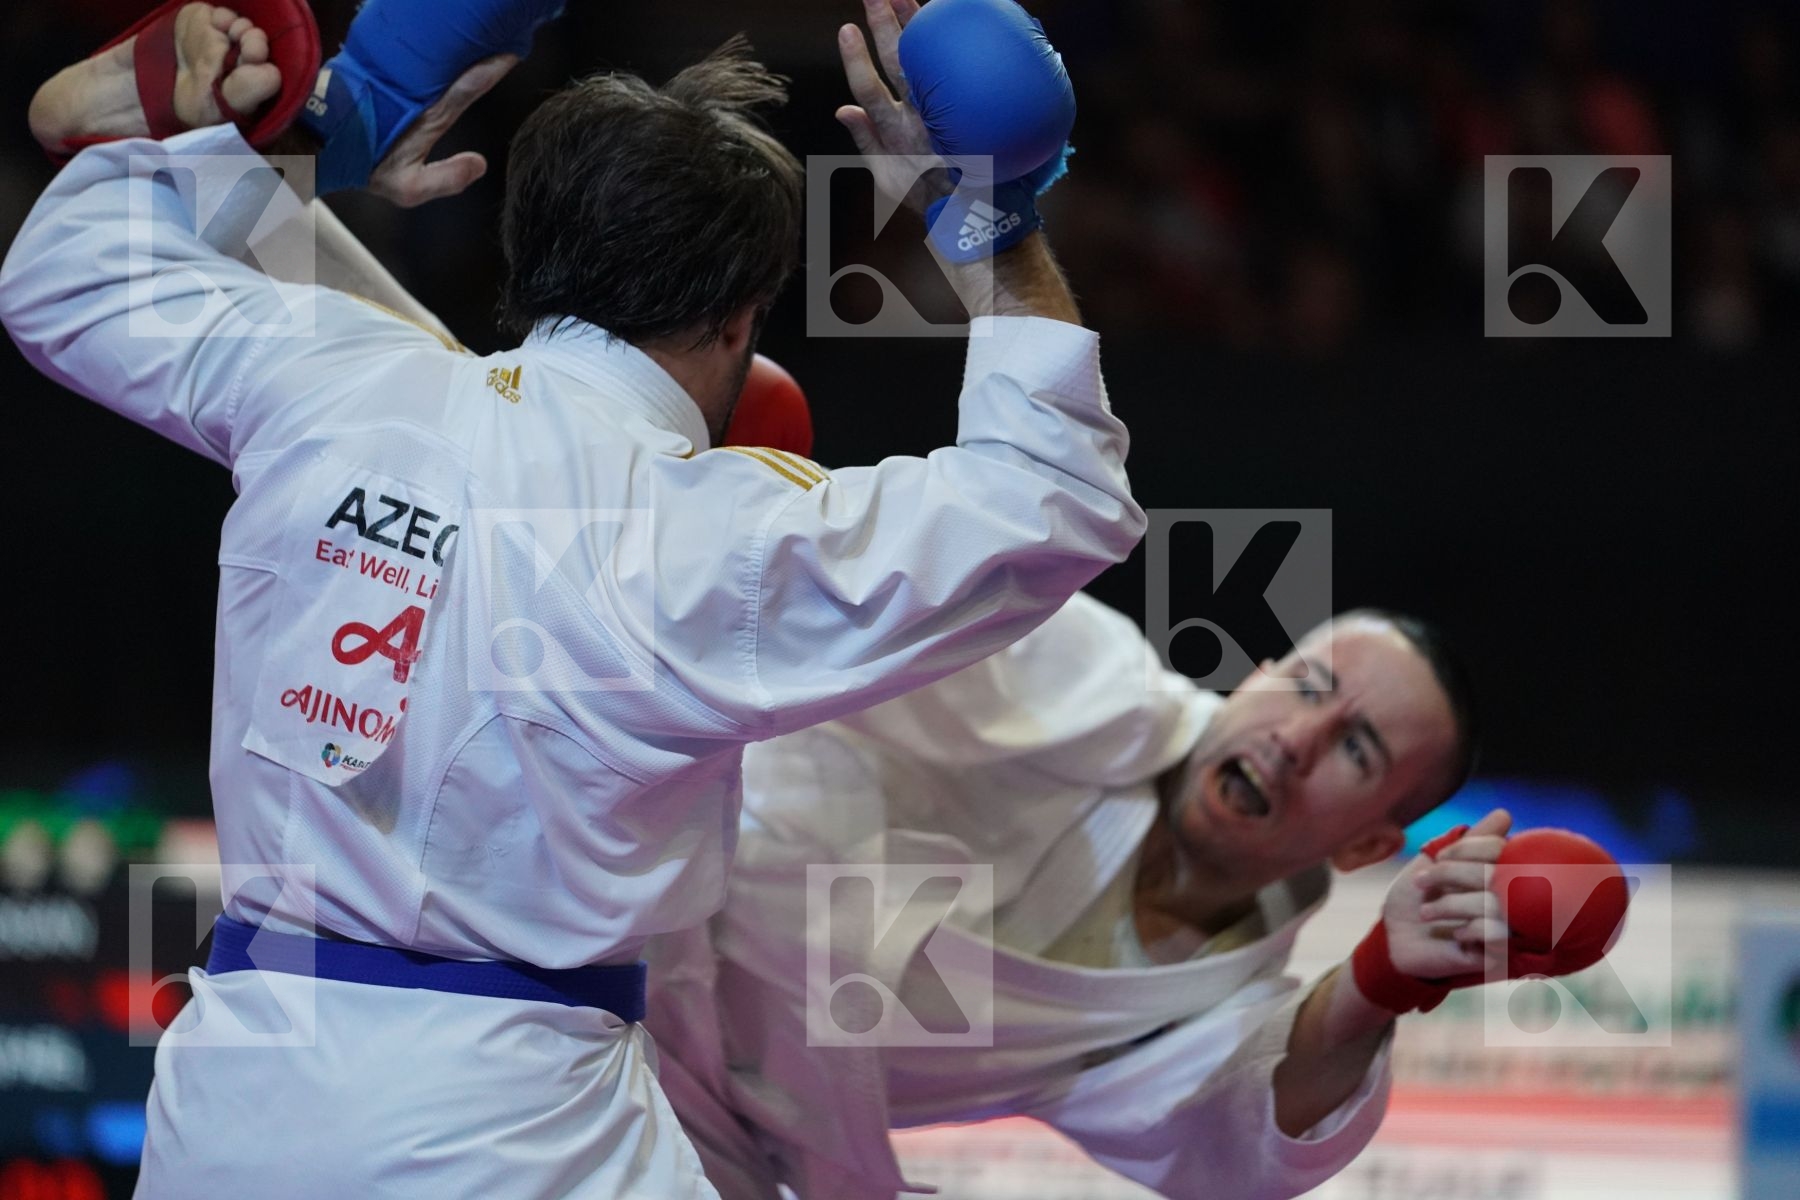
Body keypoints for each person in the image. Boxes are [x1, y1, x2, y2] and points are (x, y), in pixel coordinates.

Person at [0, 1, 1132, 1195]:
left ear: (527, 255)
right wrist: (991, 217)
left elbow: (61, 273)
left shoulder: (327, 375)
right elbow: (1055, 496)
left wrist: (327, 134)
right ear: (740, 316)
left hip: (235, 1094)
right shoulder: (712, 541)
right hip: (516, 1124)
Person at [643, 591, 1500, 1199]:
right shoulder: (1078, 675)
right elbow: (852, 604)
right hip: (599, 948)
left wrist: (1383, 980)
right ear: (1260, 672)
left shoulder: (1201, 1009)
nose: (1297, 739)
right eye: (1307, 687)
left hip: (706, 1144)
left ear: (1369, 846)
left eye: (1356, 750)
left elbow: (1240, 1140)